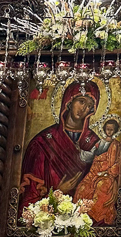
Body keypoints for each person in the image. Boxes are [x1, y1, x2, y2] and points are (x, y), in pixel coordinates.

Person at [19, 82, 101, 212]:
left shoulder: (94, 142)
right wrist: (58, 191)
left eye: (89, 106)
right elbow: (30, 195)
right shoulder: (42, 142)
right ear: (69, 101)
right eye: (81, 101)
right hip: (46, 220)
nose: (84, 108)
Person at [74, 119, 121, 225]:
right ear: (104, 129)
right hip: (94, 173)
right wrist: (80, 151)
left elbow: (118, 162)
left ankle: (96, 219)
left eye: (111, 130)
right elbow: (91, 155)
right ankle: (81, 218)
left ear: (115, 131)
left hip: (107, 176)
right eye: (107, 129)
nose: (109, 132)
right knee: (82, 187)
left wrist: (107, 172)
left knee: (100, 187)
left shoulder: (116, 145)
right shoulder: (99, 143)